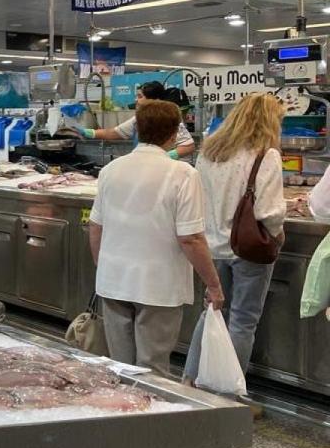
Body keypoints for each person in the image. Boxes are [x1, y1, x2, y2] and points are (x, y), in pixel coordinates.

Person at [88, 100, 224, 377]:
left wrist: (104, 269)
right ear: (174, 133)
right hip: (158, 286)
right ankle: (150, 419)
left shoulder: (110, 171)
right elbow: (191, 238)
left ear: (137, 129)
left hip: (114, 282)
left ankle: (122, 416)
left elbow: (96, 227)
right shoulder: (183, 174)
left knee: (121, 367)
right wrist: (213, 285)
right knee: (152, 370)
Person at [183, 94, 286, 387]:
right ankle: (229, 392)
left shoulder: (211, 151)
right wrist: (278, 234)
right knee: (242, 321)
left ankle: (190, 379)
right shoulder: (265, 154)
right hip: (249, 250)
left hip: (213, 247)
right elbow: (269, 212)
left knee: (212, 312)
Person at [75, 81, 196, 159]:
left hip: (167, 169)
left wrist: (167, 156)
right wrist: (86, 132)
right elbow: (113, 133)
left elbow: (188, 146)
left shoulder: (170, 120)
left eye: (140, 96)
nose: (136, 100)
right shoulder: (137, 119)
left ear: (155, 99)